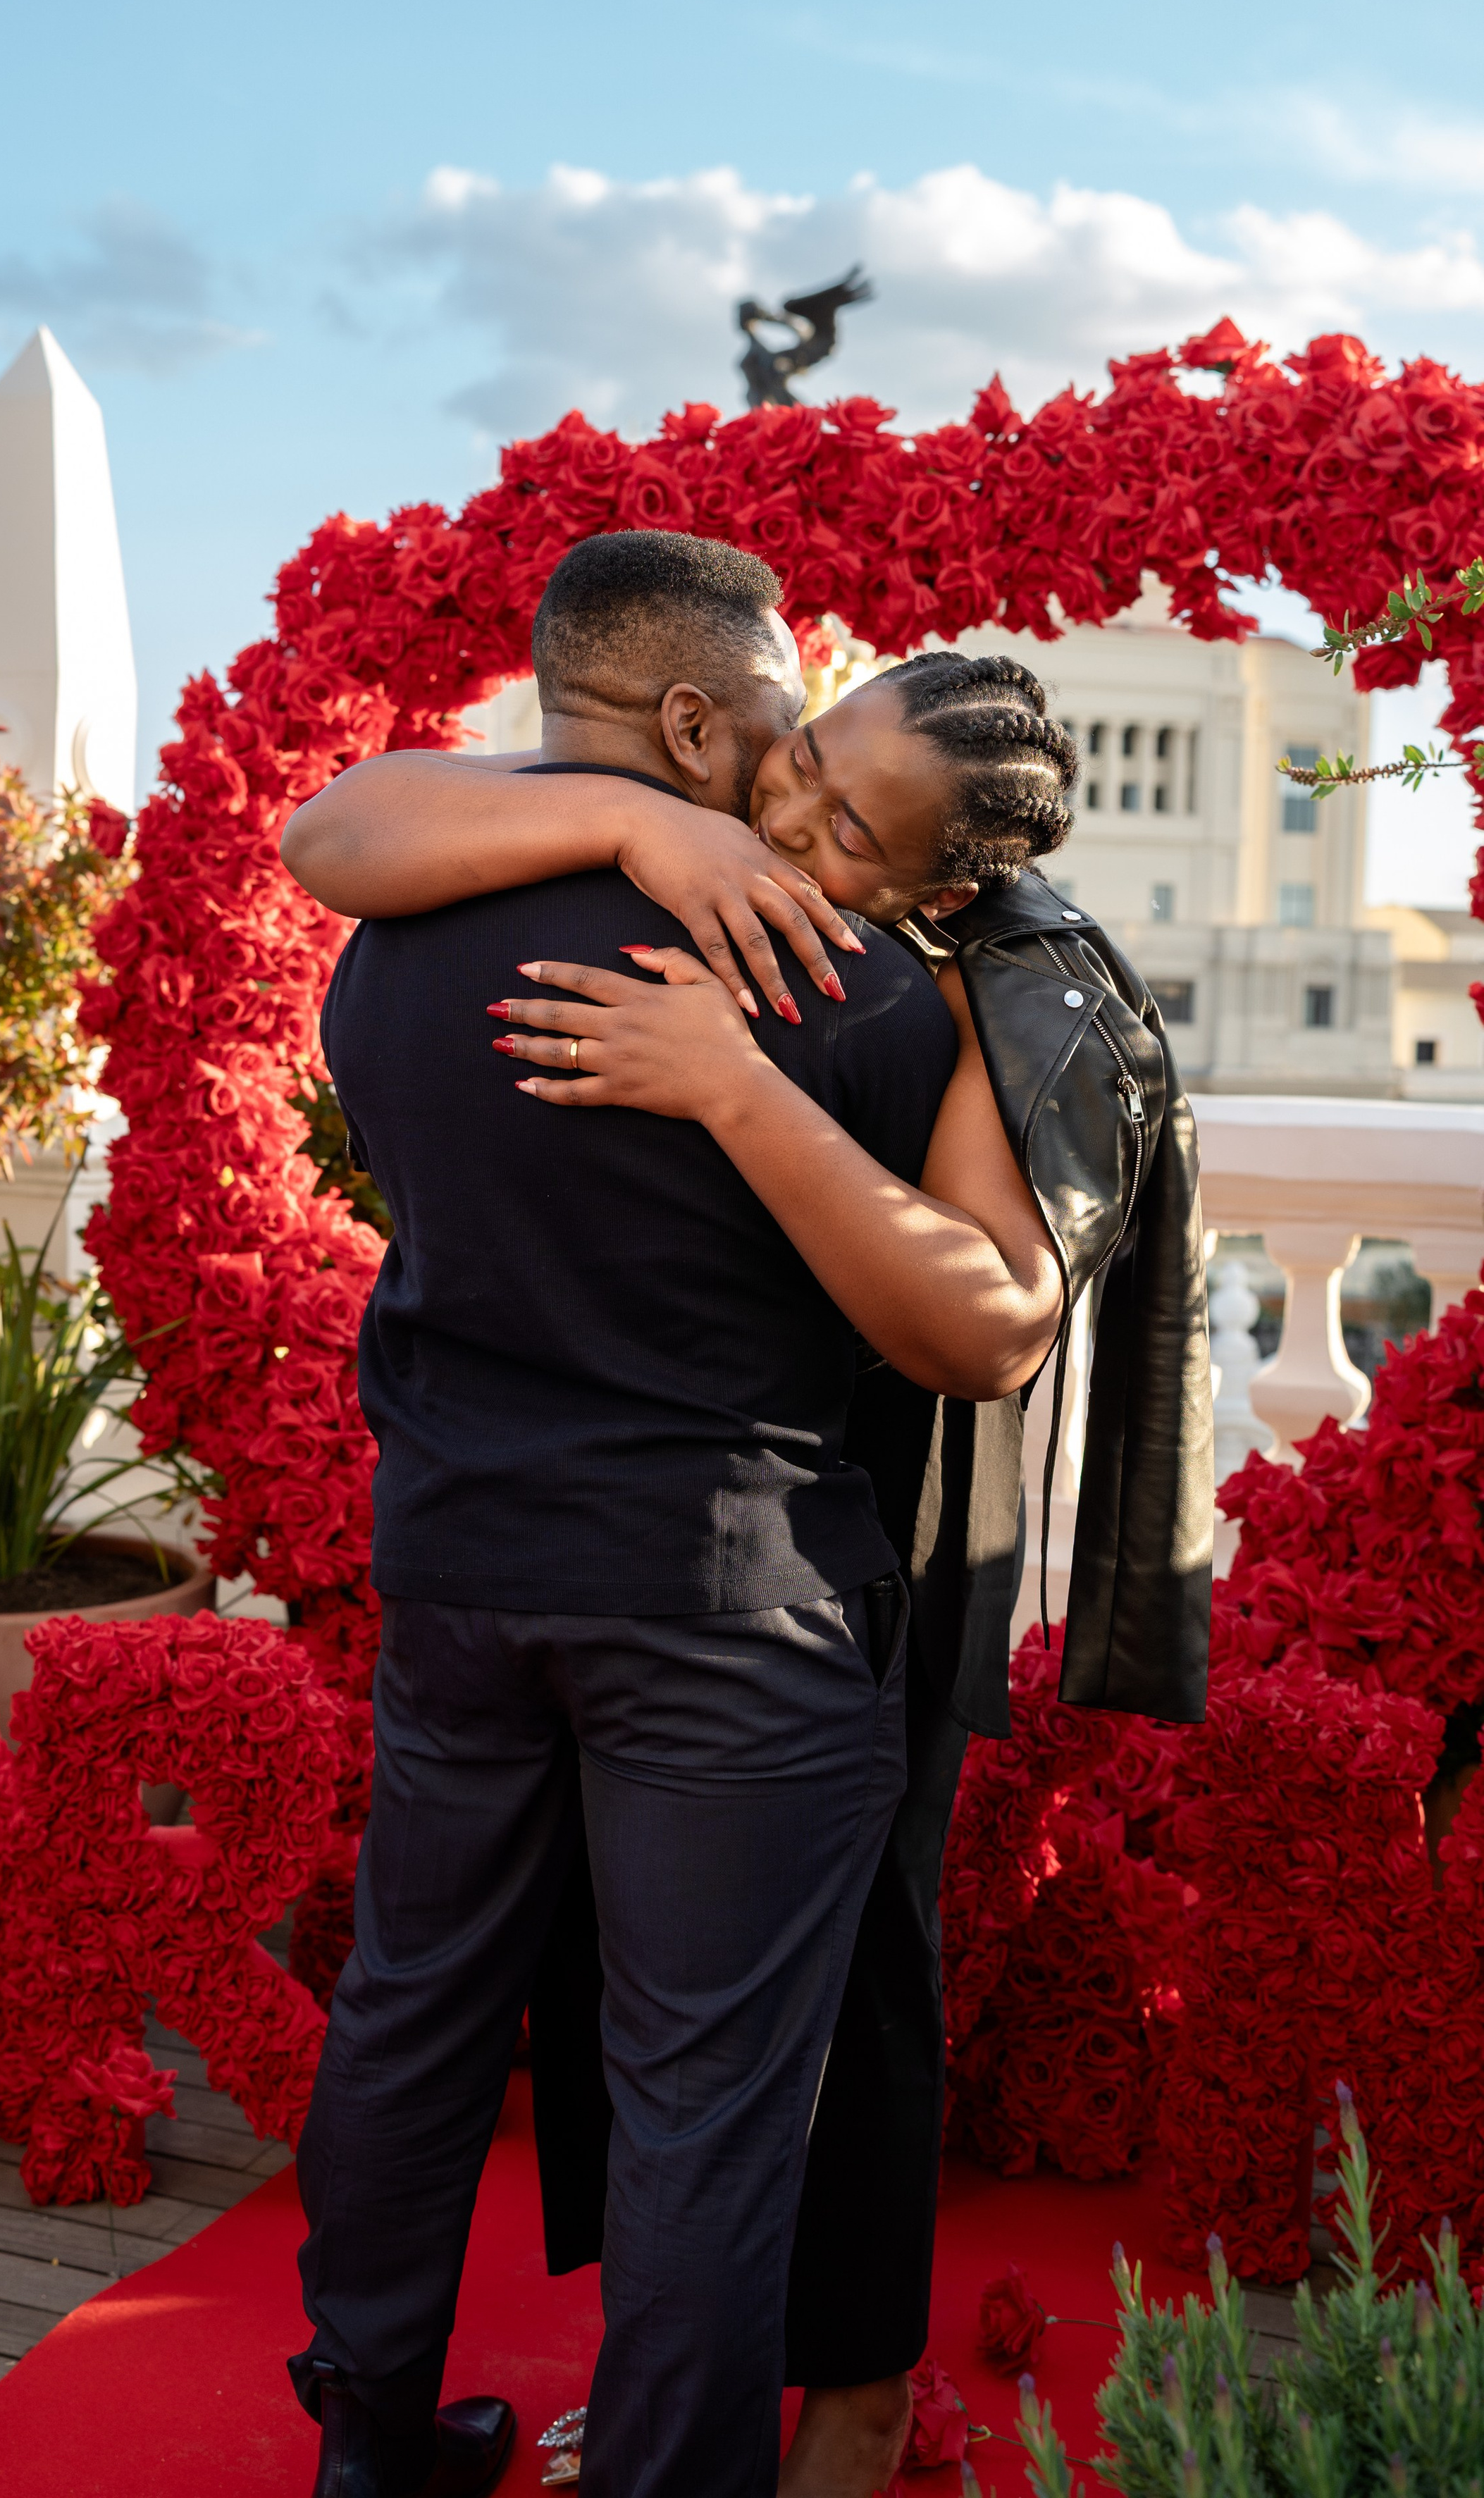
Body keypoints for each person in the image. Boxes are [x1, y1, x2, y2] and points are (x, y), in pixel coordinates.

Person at [285, 622, 1212, 2498]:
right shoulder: (799, 947)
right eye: (804, 765)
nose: (796, 821)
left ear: (960, 876)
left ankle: (480, 2430)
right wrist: (656, 846)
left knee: (534, 2013)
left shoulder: (970, 1000)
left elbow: (992, 1323)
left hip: (681, 1556)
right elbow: (343, 823)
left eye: (854, 827)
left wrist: (727, 1070)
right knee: (683, 2090)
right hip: (703, 1580)